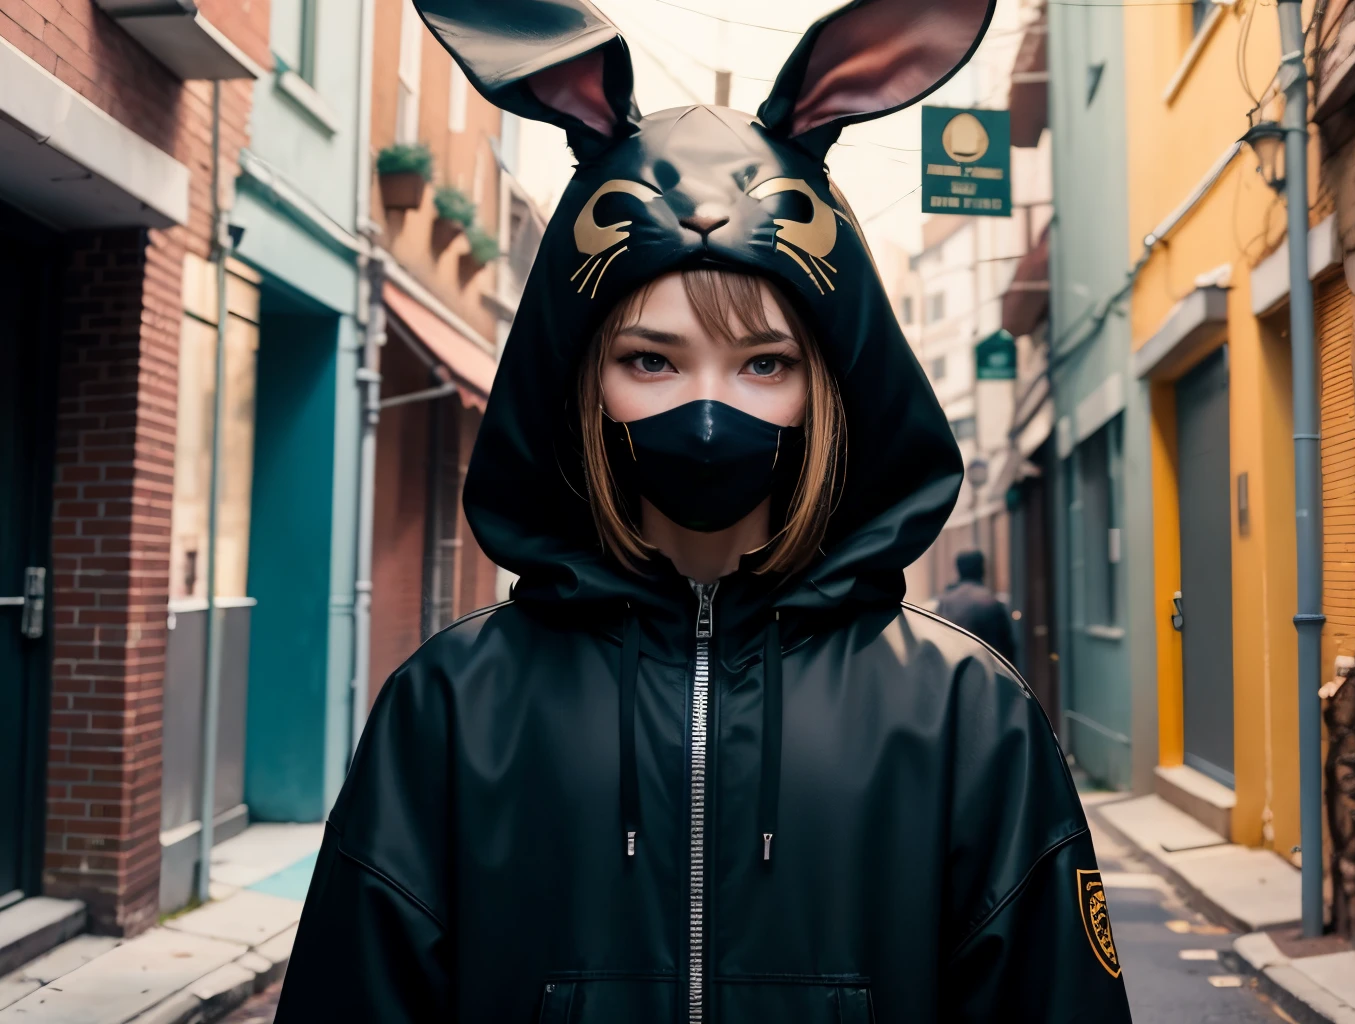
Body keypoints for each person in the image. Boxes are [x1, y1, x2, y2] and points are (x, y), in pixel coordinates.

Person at [275, 1, 1133, 1021]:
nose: (710, 408)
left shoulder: (965, 717)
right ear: (580, 380)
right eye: (650, 359)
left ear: (830, 386)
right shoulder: (450, 710)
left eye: (764, 361)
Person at [935, 549, 1018, 664]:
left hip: (954, 669)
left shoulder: (945, 601)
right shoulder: (989, 602)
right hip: (983, 670)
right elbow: (1005, 651)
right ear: (982, 569)